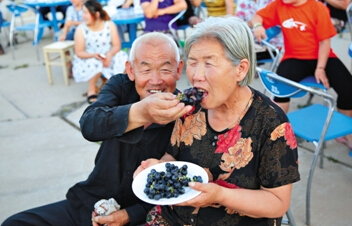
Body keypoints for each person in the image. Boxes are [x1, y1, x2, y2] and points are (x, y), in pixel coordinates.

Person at [1, 32, 193, 226]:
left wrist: (129, 215)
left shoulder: (188, 114)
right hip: (91, 201)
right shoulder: (120, 86)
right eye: (145, 69)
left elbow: (183, 187)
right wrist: (140, 113)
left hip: (143, 215)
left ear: (178, 70)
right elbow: (90, 124)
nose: (155, 80)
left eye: (165, 69)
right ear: (131, 70)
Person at [134, 16, 300, 226]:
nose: (197, 76)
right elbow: (172, 155)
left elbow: (277, 203)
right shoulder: (190, 106)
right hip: (175, 218)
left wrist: (219, 195)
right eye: (193, 63)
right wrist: (160, 167)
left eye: (209, 63)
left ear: (240, 69)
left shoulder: (271, 123)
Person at [250, 0, 352, 149]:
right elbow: (256, 17)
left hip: (323, 57)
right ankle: (277, 132)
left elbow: (325, 42)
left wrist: (320, 68)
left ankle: (346, 133)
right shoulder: (279, 5)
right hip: (294, 58)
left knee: (348, 88)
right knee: (280, 88)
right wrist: (258, 26)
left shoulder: (318, 8)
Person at [72, 0, 128, 104]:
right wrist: (94, 55)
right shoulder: (81, 29)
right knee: (95, 62)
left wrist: (109, 55)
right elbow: (79, 52)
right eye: (83, 13)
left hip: (108, 53)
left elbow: (117, 46)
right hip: (89, 56)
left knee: (122, 58)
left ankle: (114, 87)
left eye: (85, 13)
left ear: (96, 14)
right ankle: (91, 90)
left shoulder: (109, 25)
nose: (83, 16)